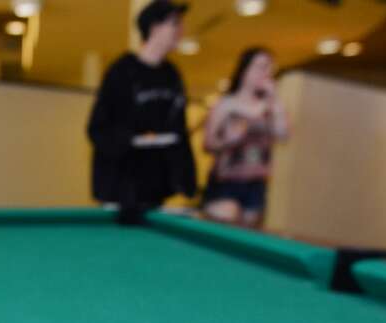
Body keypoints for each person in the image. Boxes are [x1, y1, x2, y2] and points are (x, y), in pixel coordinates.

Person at [87, 1, 196, 224]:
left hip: (157, 186)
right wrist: (131, 139)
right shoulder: (122, 71)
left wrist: (186, 180)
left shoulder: (172, 75)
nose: (180, 30)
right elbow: (97, 128)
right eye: (174, 23)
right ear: (154, 27)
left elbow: (179, 129)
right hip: (120, 187)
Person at [202, 47, 289, 228]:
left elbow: (282, 134)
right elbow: (208, 144)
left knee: (249, 231)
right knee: (227, 225)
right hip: (227, 181)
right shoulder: (226, 104)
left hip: (257, 182)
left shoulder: (270, 107)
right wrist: (229, 141)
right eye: (261, 67)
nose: (266, 73)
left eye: (269, 68)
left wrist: (274, 99)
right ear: (245, 69)